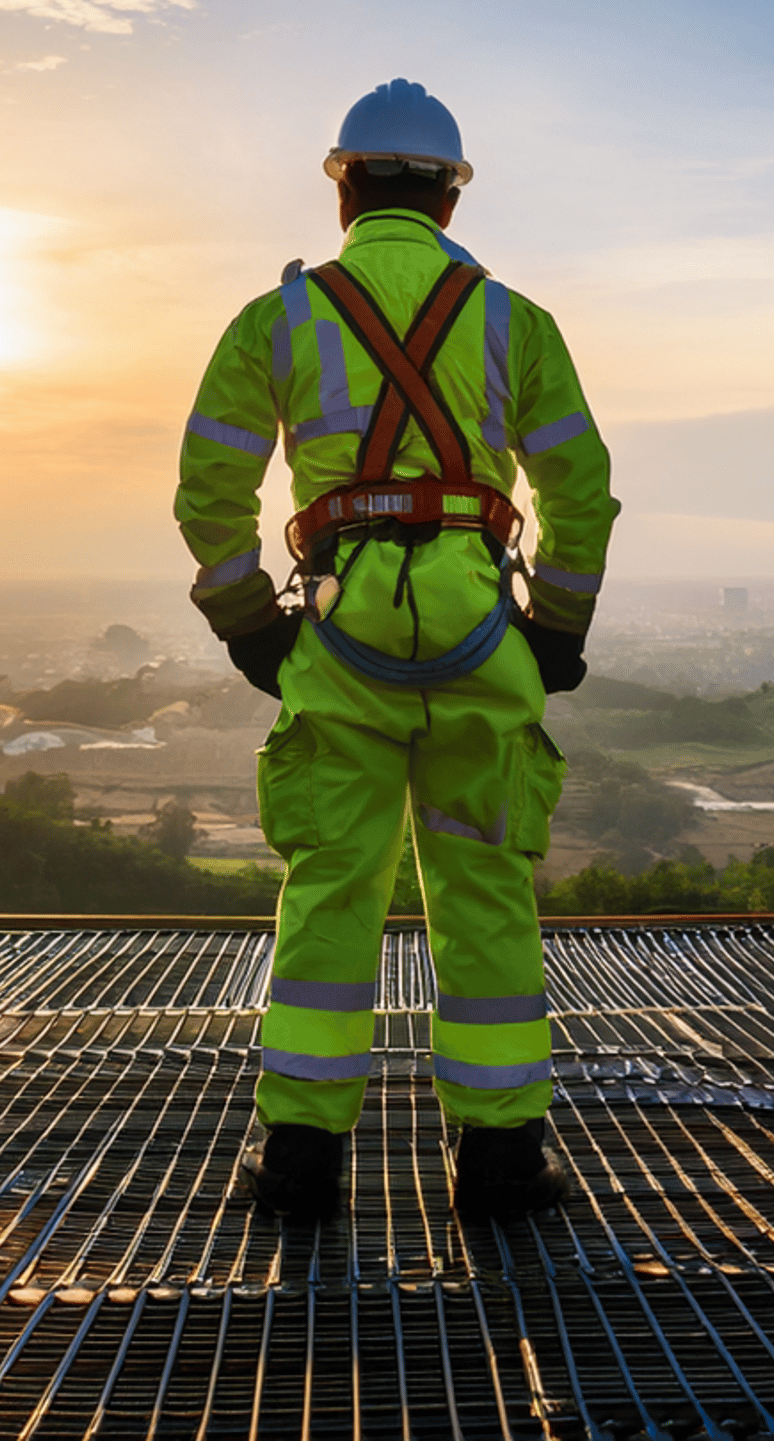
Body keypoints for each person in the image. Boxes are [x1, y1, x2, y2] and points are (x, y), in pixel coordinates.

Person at [173, 77, 619, 1219]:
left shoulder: (278, 321)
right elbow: (582, 487)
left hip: (341, 638)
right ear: (451, 201)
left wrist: (251, 627)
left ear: (344, 191)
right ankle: (504, 1167)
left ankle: (302, 1163)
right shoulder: (517, 323)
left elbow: (208, 488)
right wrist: (556, 628)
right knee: (484, 890)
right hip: (482, 638)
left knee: (332, 891)